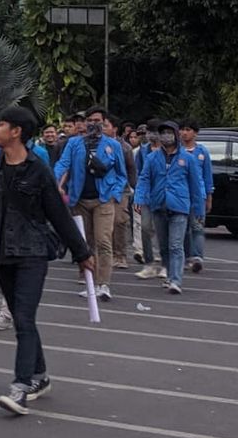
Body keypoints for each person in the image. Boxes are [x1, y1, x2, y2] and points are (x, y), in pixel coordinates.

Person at [0, 106, 93, 417]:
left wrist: (82, 253)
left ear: (17, 131)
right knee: (24, 319)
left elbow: (58, 215)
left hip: (32, 254)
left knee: (23, 318)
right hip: (1, 255)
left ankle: (20, 387)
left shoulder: (38, 170)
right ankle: (41, 377)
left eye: (1, 124)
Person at [54, 106, 126, 301]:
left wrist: (115, 194)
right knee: (85, 243)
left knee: (103, 240)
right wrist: (54, 179)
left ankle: (104, 284)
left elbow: (122, 174)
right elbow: (63, 164)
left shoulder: (113, 145)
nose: (93, 124)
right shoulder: (74, 144)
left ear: (104, 122)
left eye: (97, 120)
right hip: (79, 200)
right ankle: (89, 282)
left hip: (103, 200)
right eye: (90, 120)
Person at [135, 121, 203, 295]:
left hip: (179, 207)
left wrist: (198, 209)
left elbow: (195, 185)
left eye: (169, 132)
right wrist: (139, 198)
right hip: (158, 205)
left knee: (175, 245)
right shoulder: (152, 158)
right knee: (164, 245)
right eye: (162, 133)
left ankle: (176, 280)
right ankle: (167, 272)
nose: (166, 136)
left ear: (175, 135)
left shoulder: (187, 158)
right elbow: (144, 179)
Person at [179, 120, 213, 273]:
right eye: (182, 130)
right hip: (181, 195)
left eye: (187, 130)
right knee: (183, 229)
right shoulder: (177, 151)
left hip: (199, 195)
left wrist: (209, 196)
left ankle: (197, 258)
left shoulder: (202, 152)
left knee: (197, 227)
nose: (184, 133)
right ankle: (186, 258)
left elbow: (207, 176)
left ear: (195, 133)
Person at [104, 115, 137, 269]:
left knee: (119, 221)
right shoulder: (95, 145)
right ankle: (107, 254)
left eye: (106, 126)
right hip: (102, 189)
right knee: (105, 224)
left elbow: (131, 169)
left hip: (121, 189)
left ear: (115, 129)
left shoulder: (125, 147)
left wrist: (133, 188)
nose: (103, 129)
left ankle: (120, 255)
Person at [133, 119, 165, 279]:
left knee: (164, 230)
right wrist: (138, 197)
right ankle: (149, 264)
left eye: (155, 131)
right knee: (145, 228)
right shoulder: (142, 151)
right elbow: (140, 175)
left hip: (165, 196)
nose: (151, 135)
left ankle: (166, 264)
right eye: (149, 131)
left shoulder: (169, 150)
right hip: (146, 196)